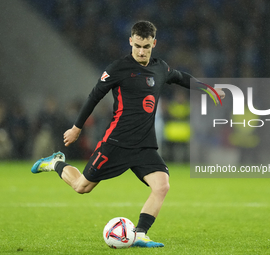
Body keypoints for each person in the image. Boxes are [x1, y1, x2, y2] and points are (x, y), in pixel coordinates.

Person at [31, 20, 225, 248]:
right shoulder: (117, 68)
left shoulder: (160, 68)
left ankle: (140, 233)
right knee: (82, 187)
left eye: (146, 47)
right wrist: (77, 127)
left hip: (144, 145)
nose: (141, 52)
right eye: (138, 46)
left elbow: (181, 78)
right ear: (130, 41)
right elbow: (94, 96)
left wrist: (207, 88)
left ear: (154, 43)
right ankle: (55, 163)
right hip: (116, 142)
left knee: (162, 186)